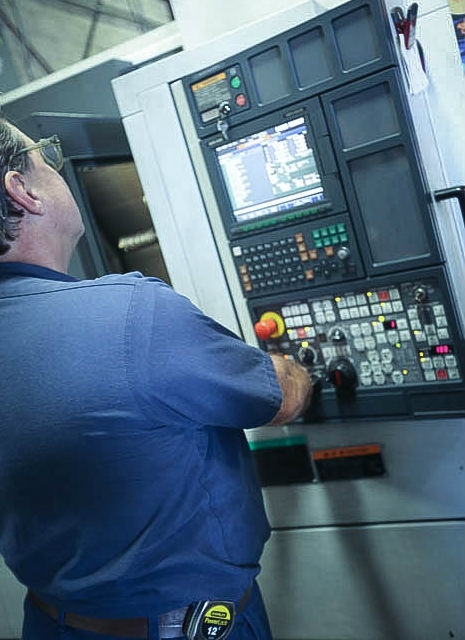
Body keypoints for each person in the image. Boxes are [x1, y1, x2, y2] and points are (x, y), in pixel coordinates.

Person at [0, 118, 313, 640]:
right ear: (22, 189)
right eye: (45, 157)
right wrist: (296, 365)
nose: (57, 171)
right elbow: (278, 400)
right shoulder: (131, 312)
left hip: (52, 623)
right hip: (185, 627)